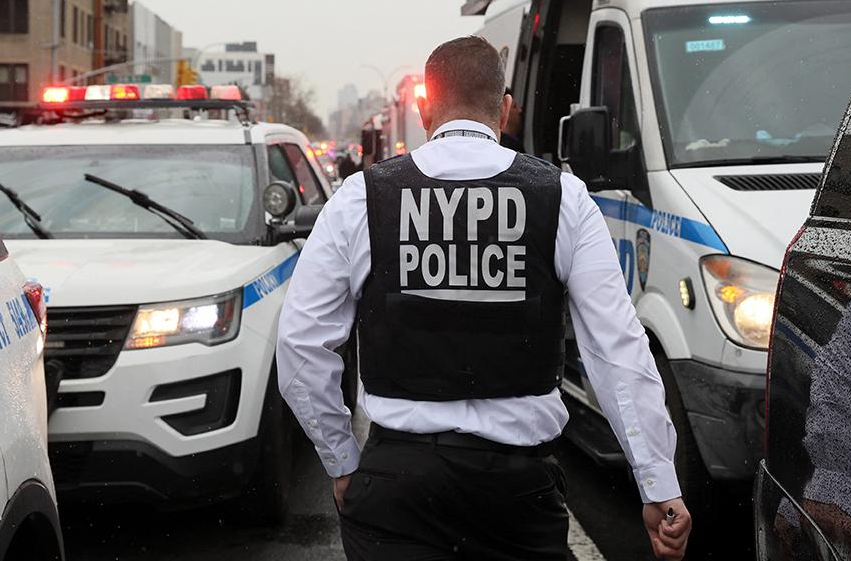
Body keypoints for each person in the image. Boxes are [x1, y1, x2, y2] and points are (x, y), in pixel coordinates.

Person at [276, 36, 691, 560]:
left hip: (396, 490)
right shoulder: (562, 197)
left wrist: (342, 461)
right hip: (515, 497)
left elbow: (299, 346)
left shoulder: (362, 197)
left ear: (425, 110)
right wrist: (657, 481)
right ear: (506, 108)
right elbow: (618, 348)